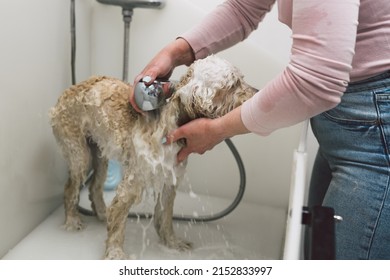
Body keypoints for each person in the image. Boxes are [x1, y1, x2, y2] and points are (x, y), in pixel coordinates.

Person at [129, 0, 390, 259]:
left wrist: (217, 129)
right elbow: (243, 7)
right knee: (316, 255)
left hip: (374, 137)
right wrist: (174, 53)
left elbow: (315, 82)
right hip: (342, 127)